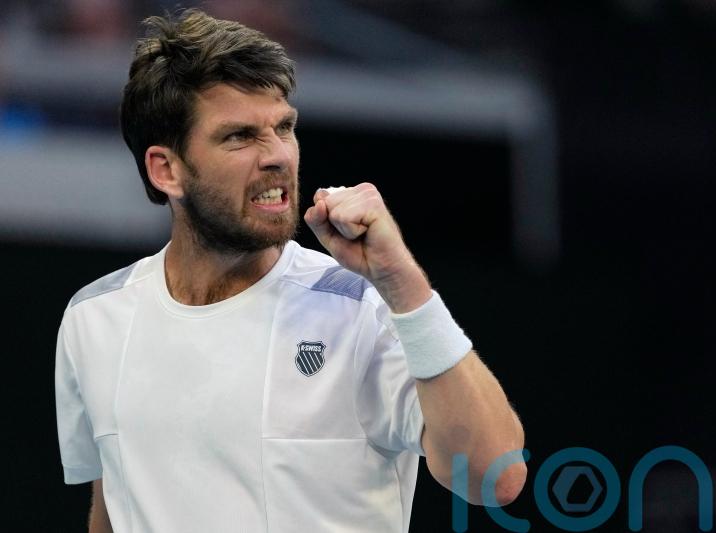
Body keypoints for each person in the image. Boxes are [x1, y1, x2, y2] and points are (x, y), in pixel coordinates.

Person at [55, 9, 525, 533]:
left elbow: (496, 478)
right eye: (239, 137)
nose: (278, 155)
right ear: (167, 169)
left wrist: (405, 285)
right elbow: (113, 507)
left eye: (284, 128)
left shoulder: (361, 307)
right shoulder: (92, 319)